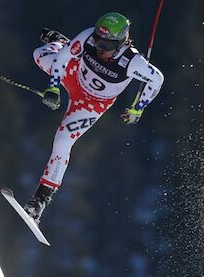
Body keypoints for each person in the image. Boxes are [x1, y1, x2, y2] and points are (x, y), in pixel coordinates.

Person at [24, 12, 164, 223]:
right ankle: (63, 42)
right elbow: (63, 59)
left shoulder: (133, 62)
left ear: (121, 42)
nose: (99, 47)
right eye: (98, 40)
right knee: (39, 54)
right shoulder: (89, 36)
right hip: (73, 75)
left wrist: (138, 108)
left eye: (106, 45)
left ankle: (39, 201)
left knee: (63, 140)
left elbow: (157, 80)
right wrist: (53, 88)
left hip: (91, 104)